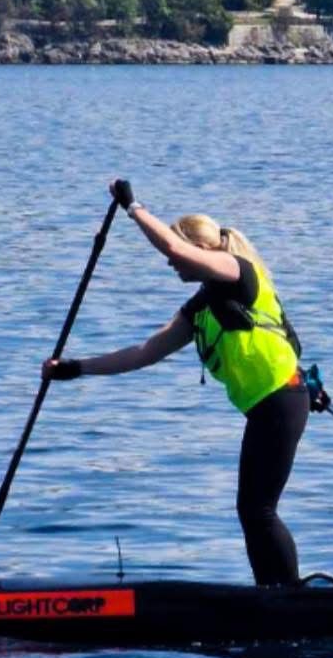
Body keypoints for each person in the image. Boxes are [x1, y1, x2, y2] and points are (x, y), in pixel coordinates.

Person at [43, 178, 309, 586]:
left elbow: (172, 248)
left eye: (182, 255)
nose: (171, 265)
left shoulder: (235, 270)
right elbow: (143, 352)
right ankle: (274, 594)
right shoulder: (201, 306)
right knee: (253, 509)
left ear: (201, 250)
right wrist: (77, 368)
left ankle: (286, 598)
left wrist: (133, 208)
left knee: (257, 509)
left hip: (281, 399)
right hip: (268, 405)